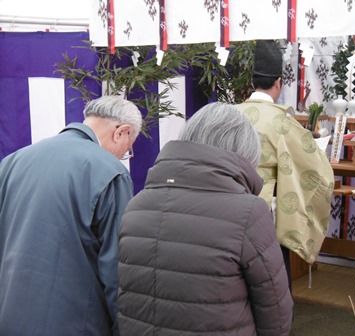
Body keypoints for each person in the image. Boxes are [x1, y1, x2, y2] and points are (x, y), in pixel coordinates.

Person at [117, 102, 293, 336]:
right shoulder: (249, 214)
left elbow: (126, 296)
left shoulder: (137, 205)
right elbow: (275, 314)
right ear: (246, 152)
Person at [0, 95, 143, 336]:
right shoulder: (109, 171)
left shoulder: (12, 162)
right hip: (77, 323)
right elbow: (117, 268)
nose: (122, 157)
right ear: (122, 132)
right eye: (126, 151)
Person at [235, 40, 335, 283]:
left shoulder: (231, 113)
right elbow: (312, 165)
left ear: (251, 83)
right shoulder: (281, 121)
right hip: (262, 206)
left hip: (228, 202)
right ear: (278, 83)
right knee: (271, 273)